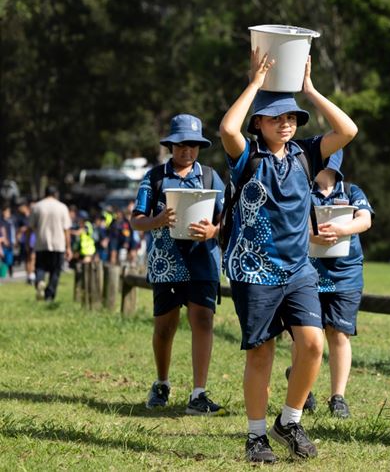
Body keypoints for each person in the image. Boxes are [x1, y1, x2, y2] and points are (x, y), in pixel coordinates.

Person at [219, 50, 357, 463]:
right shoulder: (246, 157)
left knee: (313, 344)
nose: (286, 123)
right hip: (254, 271)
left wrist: (310, 90)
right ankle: (255, 436)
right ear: (258, 123)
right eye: (276, 117)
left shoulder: (306, 154)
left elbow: (347, 129)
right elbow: (227, 127)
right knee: (261, 352)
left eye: (292, 117)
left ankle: (289, 422)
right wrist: (255, 84)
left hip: (299, 270)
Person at [130, 113, 227, 416]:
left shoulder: (209, 177)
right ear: (171, 146)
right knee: (164, 327)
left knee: (203, 321)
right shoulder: (154, 178)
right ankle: (161, 383)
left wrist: (213, 231)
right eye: (182, 145)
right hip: (166, 263)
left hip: (203, 260)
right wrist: (157, 220)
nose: (188, 151)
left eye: (194, 145)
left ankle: (199, 394)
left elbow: (228, 218)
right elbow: (136, 220)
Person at [289, 150, 373, 418]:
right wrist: (311, 235)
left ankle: (338, 397)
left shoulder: (351, 191)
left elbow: (365, 220)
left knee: (339, 334)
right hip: (307, 273)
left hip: (345, 274)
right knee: (304, 335)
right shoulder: (302, 189)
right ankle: (303, 390)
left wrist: (341, 230)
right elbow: (290, 222)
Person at [28, 186, 72, 301]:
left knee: (40, 267)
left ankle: (40, 281)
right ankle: (49, 295)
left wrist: (29, 243)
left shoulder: (37, 206)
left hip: (41, 242)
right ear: (56, 194)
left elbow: (30, 226)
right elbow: (66, 229)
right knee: (55, 270)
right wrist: (68, 247)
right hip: (58, 244)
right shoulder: (62, 207)